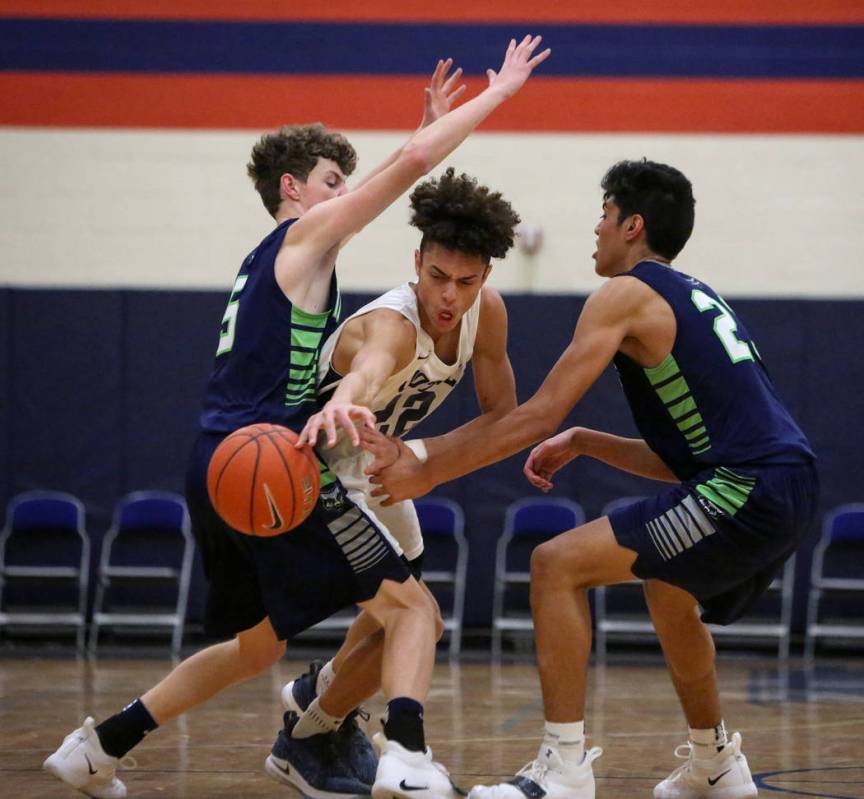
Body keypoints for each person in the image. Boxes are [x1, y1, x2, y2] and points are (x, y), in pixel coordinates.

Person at [43, 36, 551, 799]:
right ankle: (406, 758)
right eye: (334, 180)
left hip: (222, 458)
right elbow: (409, 166)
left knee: (254, 647)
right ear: (294, 187)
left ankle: (97, 747)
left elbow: (399, 169)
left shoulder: (279, 261)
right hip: (275, 454)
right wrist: (500, 92)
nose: (350, 190)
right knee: (414, 608)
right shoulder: (303, 241)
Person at [363, 158, 818, 799]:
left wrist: (429, 465)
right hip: (785, 483)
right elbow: (690, 461)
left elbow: (539, 412)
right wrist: (587, 442)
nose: (596, 228)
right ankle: (716, 762)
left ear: (632, 225)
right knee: (666, 589)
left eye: (605, 215)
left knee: (555, 565)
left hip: (749, 485)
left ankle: (564, 768)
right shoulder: (695, 295)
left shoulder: (625, 294)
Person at [268, 167, 520, 798]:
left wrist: (425, 458)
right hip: (315, 467)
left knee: (399, 627)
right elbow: (370, 366)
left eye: (465, 281)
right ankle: (339, 731)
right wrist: (350, 397)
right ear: (417, 262)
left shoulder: (485, 315)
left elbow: (504, 417)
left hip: (380, 468)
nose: (448, 296)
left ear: (485, 277)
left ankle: (314, 700)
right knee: (419, 621)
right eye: (436, 276)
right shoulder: (395, 324)